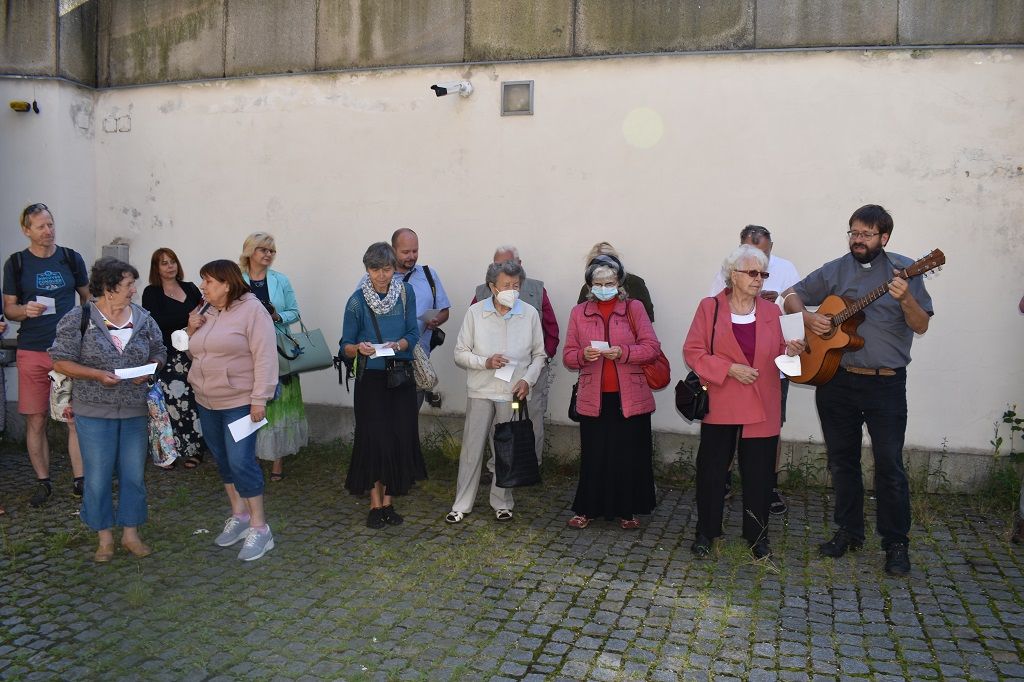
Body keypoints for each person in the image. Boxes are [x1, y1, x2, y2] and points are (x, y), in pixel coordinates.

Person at [783, 204, 934, 577]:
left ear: (884, 237)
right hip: (836, 379)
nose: (858, 239)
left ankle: (895, 543)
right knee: (842, 461)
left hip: (885, 383)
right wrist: (808, 318)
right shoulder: (836, 269)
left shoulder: (906, 270)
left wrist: (906, 298)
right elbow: (789, 295)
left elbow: (921, 325)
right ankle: (849, 532)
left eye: (866, 234)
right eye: (853, 232)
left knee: (889, 465)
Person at [685, 245, 805, 559]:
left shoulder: (772, 311)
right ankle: (706, 532)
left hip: (762, 403)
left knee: (760, 475)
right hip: (722, 400)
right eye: (752, 273)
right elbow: (693, 352)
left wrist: (791, 350)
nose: (759, 279)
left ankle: (757, 536)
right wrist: (728, 369)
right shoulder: (709, 307)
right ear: (733, 275)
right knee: (712, 473)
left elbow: (781, 350)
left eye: (762, 274)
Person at [49, 258, 166, 562]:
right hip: (93, 412)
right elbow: (60, 361)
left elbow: (159, 351)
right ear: (109, 287)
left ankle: (130, 534)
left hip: (134, 410)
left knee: (133, 475)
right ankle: (104, 538)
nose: (134, 290)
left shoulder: (143, 318)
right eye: (128, 284)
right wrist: (96, 375)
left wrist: (150, 369)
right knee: (98, 476)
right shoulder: (79, 318)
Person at [187, 260, 278, 561]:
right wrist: (190, 329)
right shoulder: (205, 310)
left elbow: (265, 356)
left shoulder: (253, 310)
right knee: (224, 460)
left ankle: (260, 528)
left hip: (240, 402)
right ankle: (239, 517)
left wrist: (259, 398)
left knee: (241, 461)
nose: (203, 286)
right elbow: (194, 351)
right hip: (206, 400)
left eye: (209, 281)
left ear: (227, 284)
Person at [708, 225, 802, 514]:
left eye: (765, 255)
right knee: (727, 430)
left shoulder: (786, 268)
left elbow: (797, 310)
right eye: (752, 253)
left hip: (772, 366)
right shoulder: (727, 269)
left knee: (769, 429)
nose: (759, 268)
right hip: (732, 367)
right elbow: (715, 312)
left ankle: (767, 486)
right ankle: (722, 481)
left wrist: (776, 306)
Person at [563, 254, 661, 530]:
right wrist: (582, 355)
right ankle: (587, 509)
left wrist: (624, 352)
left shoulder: (634, 308)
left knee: (628, 456)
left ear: (619, 283)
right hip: (594, 396)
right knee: (594, 455)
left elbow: (652, 347)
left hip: (630, 396)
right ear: (589, 286)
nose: (604, 288)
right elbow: (568, 355)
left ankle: (627, 511)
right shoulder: (579, 312)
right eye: (598, 283)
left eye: (610, 283)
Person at [445, 259, 545, 524]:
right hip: (480, 390)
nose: (512, 290)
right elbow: (460, 353)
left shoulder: (529, 314)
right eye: (506, 285)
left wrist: (528, 380)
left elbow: (539, 355)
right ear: (492, 287)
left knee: (507, 449)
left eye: (516, 285)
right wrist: (485, 362)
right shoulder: (476, 312)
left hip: (512, 393)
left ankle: (502, 502)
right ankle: (461, 503)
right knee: (471, 450)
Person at [2, 203, 89, 507]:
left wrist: (84, 327)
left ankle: (81, 480)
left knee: (74, 417)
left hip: (67, 350)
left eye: (50, 224)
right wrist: (24, 310)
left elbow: (87, 298)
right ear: (26, 230)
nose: (48, 231)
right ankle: (43, 482)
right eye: (40, 226)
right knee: (35, 419)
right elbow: (9, 309)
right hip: (32, 350)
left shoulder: (70, 258)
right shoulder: (16, 263)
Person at [341, 242, 426, 529]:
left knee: (398, 438)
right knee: (374, 440)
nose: (381, 275)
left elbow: (413, 333)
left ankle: (389, 502)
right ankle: (375, 504)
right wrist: (358, 348)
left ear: (394, 269)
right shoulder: (356, 301)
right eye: (375, 269)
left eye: (386, 269)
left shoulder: (406, 293)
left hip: (400, 376)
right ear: (367, 269)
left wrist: (399, 344)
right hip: (371, 381)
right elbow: (345, 345)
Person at [472, 245, 560, 465]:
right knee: (499, 421)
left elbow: (551, 329)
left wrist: (541, 361)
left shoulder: (537, 290)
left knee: (532, 417)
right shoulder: (482, 292)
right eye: (497, 265)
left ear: (519, 265)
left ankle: (531, 465)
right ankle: (499, 466)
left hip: (530, 372)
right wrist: (483, 362)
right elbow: (471, 332)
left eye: (507, 264)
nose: (502, 269)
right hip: (496, 372)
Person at [240, 232, 309, 481]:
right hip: (245, 348)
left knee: (279, 402)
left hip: (278, 347)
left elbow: (295, 312)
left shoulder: (281, 280)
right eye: (263, 249)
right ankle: (252, 456)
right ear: (250, 251)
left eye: (272, 250)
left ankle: (277, 459)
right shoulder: (237, 280)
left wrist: (277, 316)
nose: (268, 254)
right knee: (250, 400)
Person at [141, 248, 206, 468]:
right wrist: (188, 320)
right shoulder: (151, 292)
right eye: (164, 263)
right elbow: (156, 323)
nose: (170, 266)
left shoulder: (190, 288)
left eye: (173, 262)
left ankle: (196, 449)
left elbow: (205, 314)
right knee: (172, 404)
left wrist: (191, 323)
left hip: (193, 353)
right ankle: (170, 451)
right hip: (168, 356)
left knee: (195, 401)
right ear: (156, 268)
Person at [391, 228, 451, 408]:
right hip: (386, 362)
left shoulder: (429, 275)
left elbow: (444, 311)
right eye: (405, 252)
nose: (411, 256)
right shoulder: (379, 277)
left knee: (409, 417)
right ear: (393, 250)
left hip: (417, 361)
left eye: (415, 251)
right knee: (384, 419)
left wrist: (436, 320)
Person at [577, 242, 655, 322]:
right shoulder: (587, 288)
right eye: (596, 264)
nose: (602, 266)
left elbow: (648, 317)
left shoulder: (636, 283)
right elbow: (580, 317)